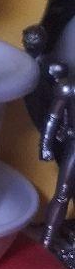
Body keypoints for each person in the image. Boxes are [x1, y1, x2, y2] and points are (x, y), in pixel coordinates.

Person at [40, 61, 75, 248]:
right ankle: (47, 239)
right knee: (62, 193)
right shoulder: (69, 87)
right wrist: (45, 145)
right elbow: (52, 119)